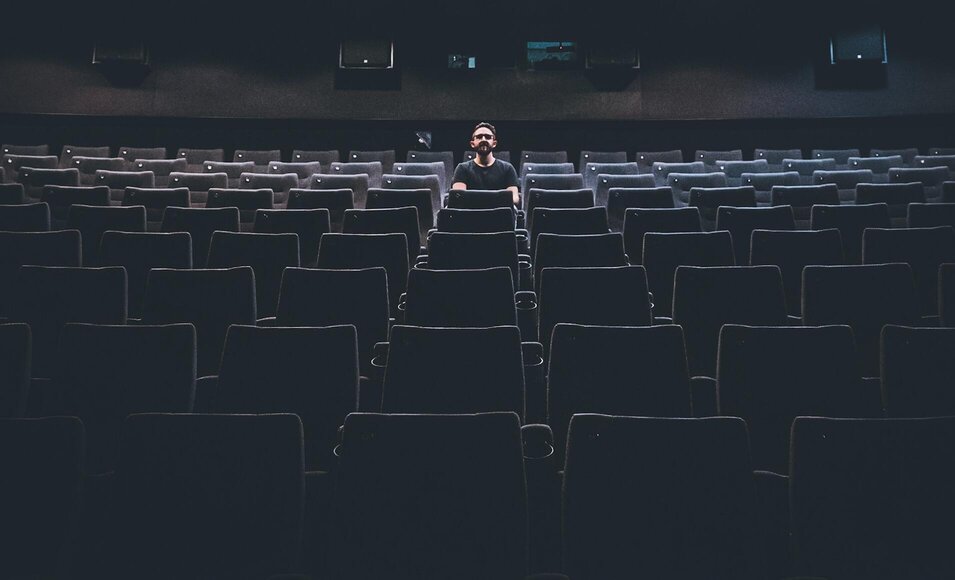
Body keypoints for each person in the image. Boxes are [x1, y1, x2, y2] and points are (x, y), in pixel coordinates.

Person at [451, 122, 521, 205]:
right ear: (472, 144)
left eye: (488, 137)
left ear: (494, 143)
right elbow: (458, 198)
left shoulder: (508, 168)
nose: (483, 139)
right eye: (479, 137)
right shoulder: (462, 168)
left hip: (499, 215)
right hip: (471, 215)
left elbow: (514, 199)